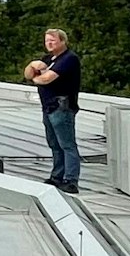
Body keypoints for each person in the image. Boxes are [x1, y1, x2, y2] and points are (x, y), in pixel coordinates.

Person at [23, 27, 83, 193]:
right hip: (48, 107)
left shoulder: (69, 59)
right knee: (54, 144)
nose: (49, 44)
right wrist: (32, 65)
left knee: (67, 144)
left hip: (61, 107)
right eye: (47, 40)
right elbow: (27, 74)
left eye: (53, 40)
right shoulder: (48, 59)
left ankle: (71, 180)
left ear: (63, 41)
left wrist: (36, 76)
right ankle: (57, 176)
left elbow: (46, 79)